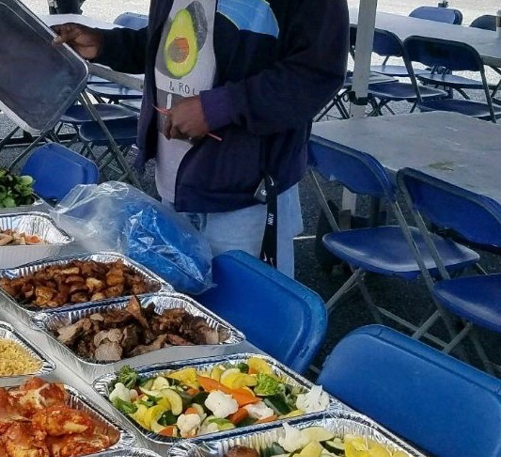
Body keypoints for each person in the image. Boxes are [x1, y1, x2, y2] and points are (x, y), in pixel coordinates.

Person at [52, 0, 347, 278]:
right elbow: (170, 42)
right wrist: (107, 44)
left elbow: (318, 72)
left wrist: (216, 108)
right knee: (180, 317)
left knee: (243, 322)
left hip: (247, 195)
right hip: (175, 182)